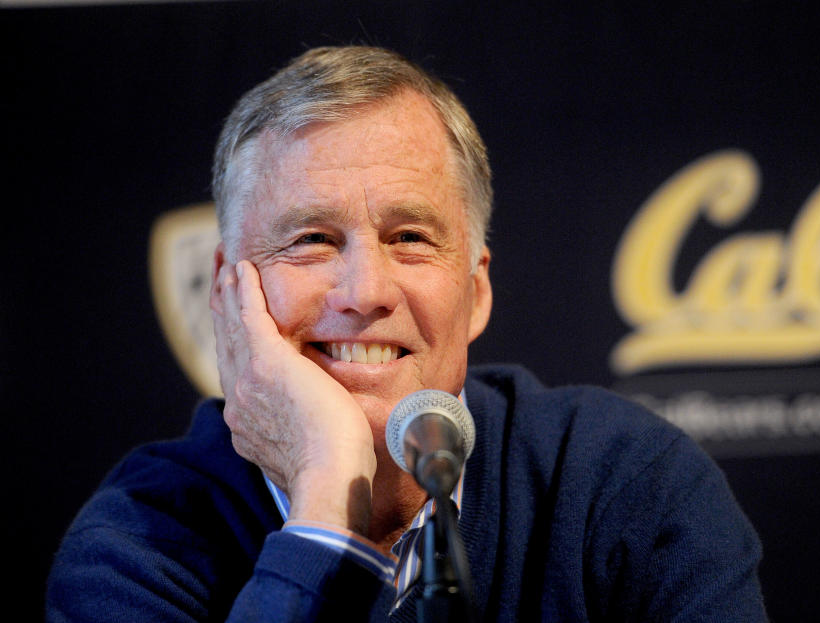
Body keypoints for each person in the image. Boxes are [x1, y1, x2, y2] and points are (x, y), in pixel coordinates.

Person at [47, 46, 766, 621]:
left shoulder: (624, 485)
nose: (365, 292)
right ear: (227, 290)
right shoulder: (134, 548)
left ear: (476, 288)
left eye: (410, 237)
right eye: (313, 239)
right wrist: (326, 501)